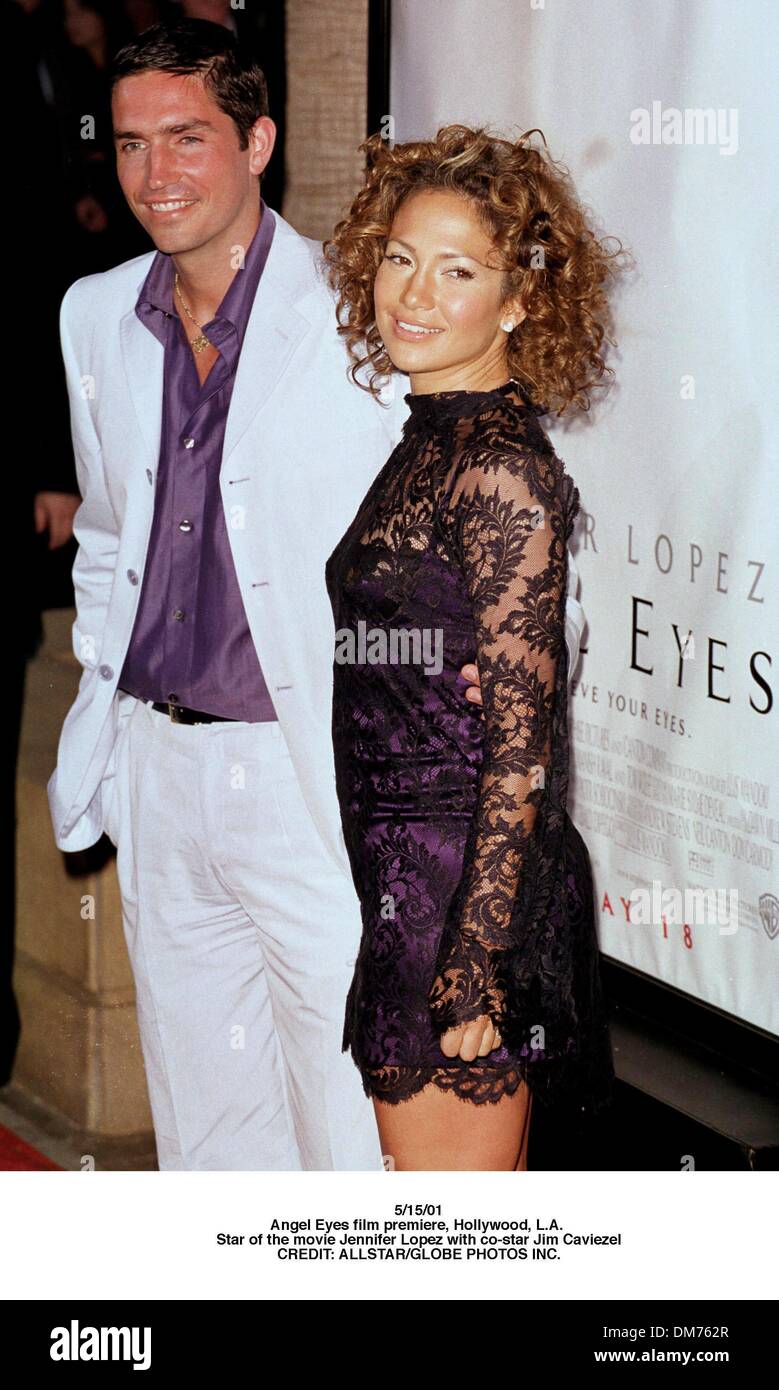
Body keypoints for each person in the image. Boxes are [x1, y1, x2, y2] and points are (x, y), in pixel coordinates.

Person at [48, 20, 585, 1170]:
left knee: (346, 1139)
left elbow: (502, 523)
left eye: (188, 138)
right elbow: (107, 531)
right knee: (205, 1135)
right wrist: (103, 687)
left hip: (307, 781)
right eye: (133, 144)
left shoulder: (358, 320)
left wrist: (498, 666)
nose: (156, 174)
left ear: (258, 140)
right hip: (157, 768)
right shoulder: (91, 315)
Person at [323, 124, 620, 1170]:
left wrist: (477, 962)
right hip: (410, 872)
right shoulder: (433, 435)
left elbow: (520, 747)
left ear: (518, 300)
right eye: (399, 257)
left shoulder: (497, 468)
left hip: (459, 888)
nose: (411, 292)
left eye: (456, 270)